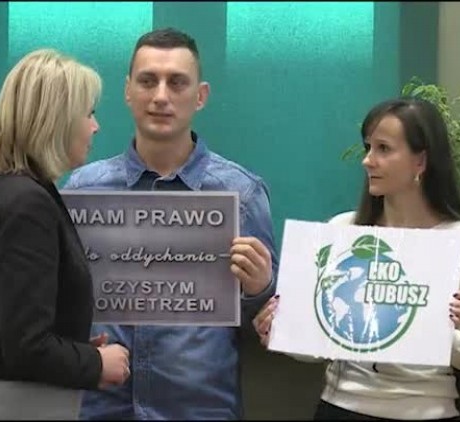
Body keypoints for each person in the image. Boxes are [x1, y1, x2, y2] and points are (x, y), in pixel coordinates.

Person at [63, 28, 278, 420]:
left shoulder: (242, 195)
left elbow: (270, 325)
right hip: (101, 408)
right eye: (148, 81)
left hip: (199, 410)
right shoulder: (82, 190)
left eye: (177, 83)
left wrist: (261, 289)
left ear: (201, 96)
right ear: (128, 91)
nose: (161, 96)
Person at [253, 97, 460, 420]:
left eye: (383, 149)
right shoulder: (342, 231)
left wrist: (440, 333)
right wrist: (280, 333)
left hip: (426, 410)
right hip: (342, 406)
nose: (368, 161)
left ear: (421, 161)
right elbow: (317, 348)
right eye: (368, 147)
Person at [0, 49, 131, 420]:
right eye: (89, 113)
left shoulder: (7, 190)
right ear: (57, 120)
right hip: (18, 408)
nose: (95, 127)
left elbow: (15, 325)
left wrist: (77, 350)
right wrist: (96, 363)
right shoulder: (27, 204)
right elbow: (27, 346)